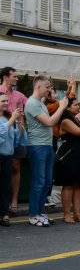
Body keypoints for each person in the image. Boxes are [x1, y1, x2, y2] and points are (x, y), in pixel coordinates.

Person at [25, 76, 68, 226]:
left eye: (50, 87)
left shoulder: (40, 102)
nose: (50, 90)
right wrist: (61, 107)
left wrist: (70, 89)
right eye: (48, 87)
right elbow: (49, 122)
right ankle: (33, 215)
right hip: (37, 146)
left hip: (47, 146)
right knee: (39, 182)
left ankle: (40, 212)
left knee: (47, 182)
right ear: (38, 87)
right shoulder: (32, 103)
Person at [53, 98, 80, 223]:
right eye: (75, 105)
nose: (78, 107)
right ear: (67, 107)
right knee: (69, 185)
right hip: (69, 154)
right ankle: (66, 215)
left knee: (79, 185)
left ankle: (77, 213)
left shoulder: (76, 119)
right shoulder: (65, 121)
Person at [0, 67, 27, 216]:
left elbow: (32, 104)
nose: (17, 79)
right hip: (3, 137)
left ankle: (13, 202)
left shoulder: (19, 95)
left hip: (14, 137)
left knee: (15, 169)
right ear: (5, 77)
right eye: (14, 76)